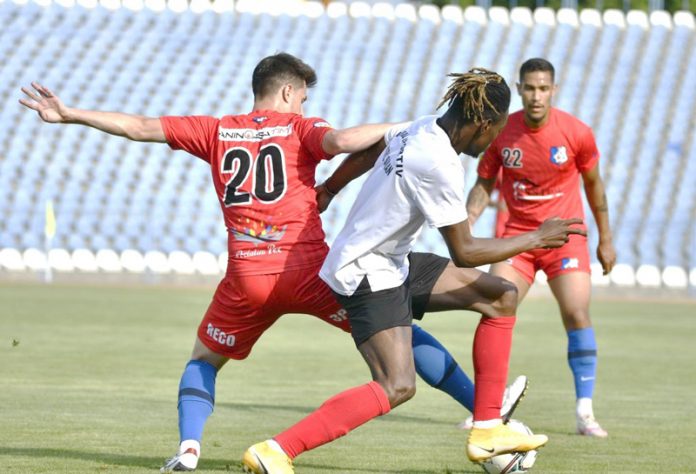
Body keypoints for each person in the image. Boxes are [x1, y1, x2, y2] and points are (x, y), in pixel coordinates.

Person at [19, 54, 525, 473]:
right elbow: (342, 142)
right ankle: (486, 409)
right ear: (287, 92)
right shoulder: (300, 127)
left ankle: (189, 449)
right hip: (309, 273)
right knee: (400, 337)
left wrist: (71, 114)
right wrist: (406, 128)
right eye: (303, 96)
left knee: (203, 360)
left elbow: (140, 127)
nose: (305, 104)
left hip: (246, 280)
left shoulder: (216, 130)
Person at [242, 68, 586, 474]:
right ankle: (275, 450)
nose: (494, 140)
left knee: (501, 296)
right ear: (482, 123)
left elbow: (372, 149)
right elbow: (465, 252)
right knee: (397, 385)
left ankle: (488, 427)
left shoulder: (422, 127)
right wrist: (536, 238)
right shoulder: (439, 163)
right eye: (495, 131)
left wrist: (331, 188)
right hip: (365, 272)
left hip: (391, 260)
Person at [466, 58, 616, 437]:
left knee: (576, 312)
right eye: (530, 88)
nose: (536, 96)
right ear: (520, 89)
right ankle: (486, 408)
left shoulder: (576, 133)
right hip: (519, 238)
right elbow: (484, 184)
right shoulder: (502, 131)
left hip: (565, 236)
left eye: (543, 88)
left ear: (554, 90)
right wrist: (467, 221)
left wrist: (606, 238)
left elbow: (594, 185)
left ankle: (585, 412)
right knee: (494, 306)